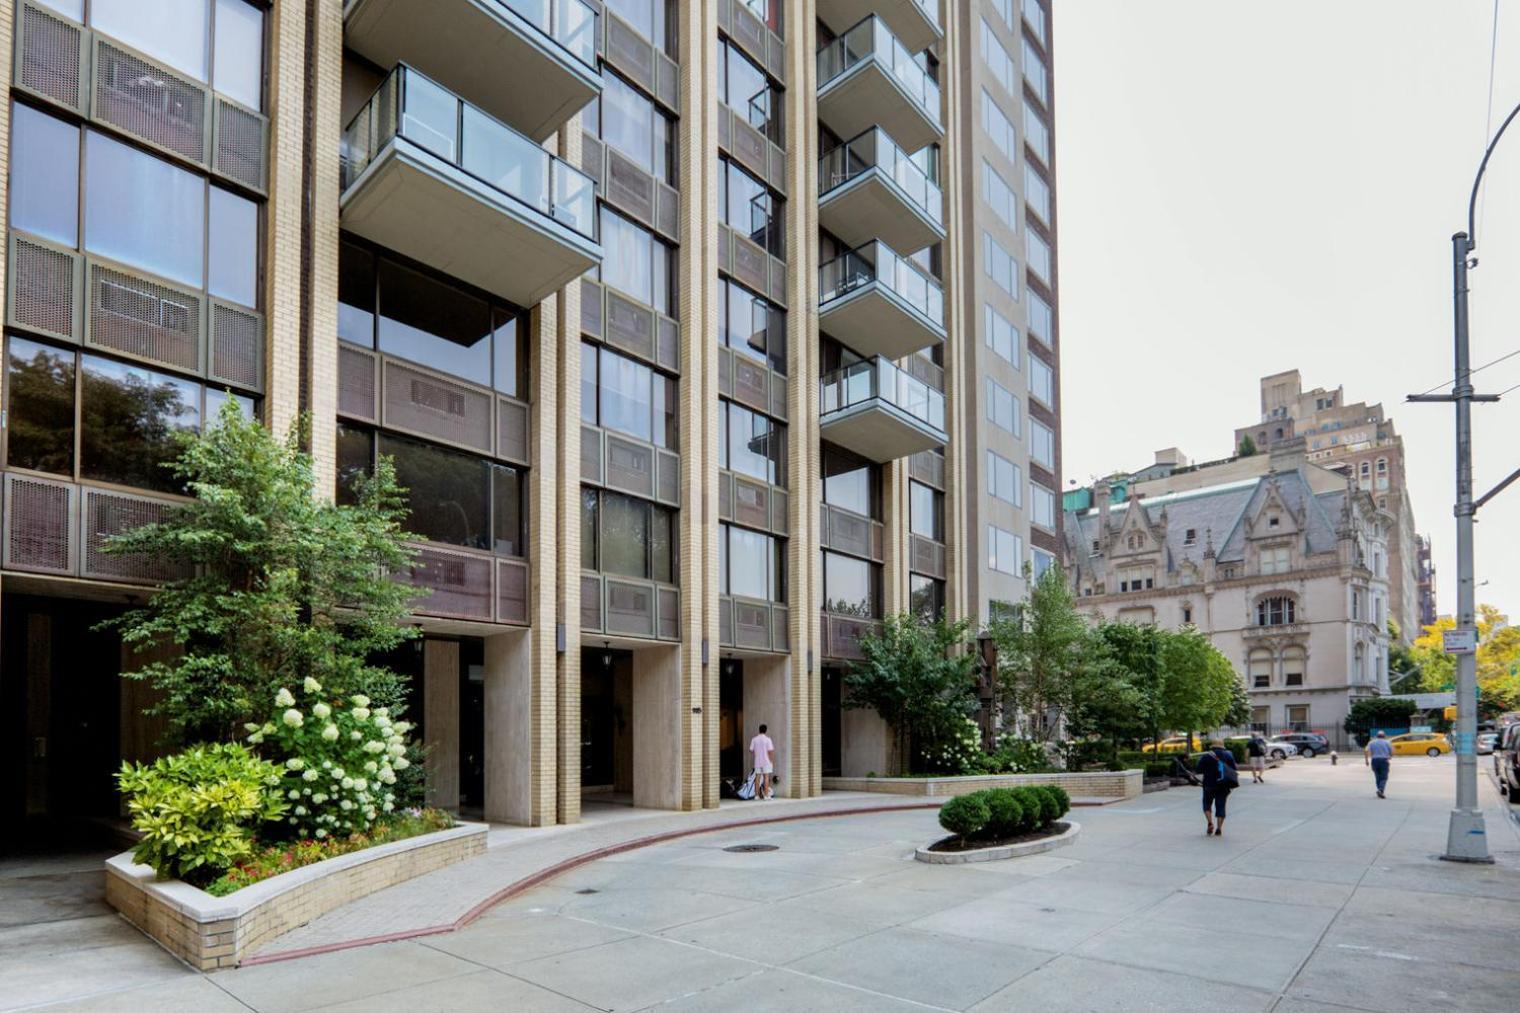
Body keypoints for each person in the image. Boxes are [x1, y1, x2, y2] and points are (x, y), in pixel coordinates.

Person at [1198, 740, 1238, 836]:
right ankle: (1219, 828)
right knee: (1221, 806)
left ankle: (1210, 823)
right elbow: (1234, 769)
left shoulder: (1206, 756)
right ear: (1222, 746)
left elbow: (1198, 769)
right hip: (1223, 785)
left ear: (1213, 746)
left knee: (1207, 804)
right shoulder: (1228, 755)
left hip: (1208, 784)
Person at [748, 724, 775, 800]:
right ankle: (766, 795)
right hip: (766, 761)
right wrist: (771, 760)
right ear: (765, 730)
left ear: (759, 730)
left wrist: (756, 753)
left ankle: (756, 795)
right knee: (766, 777)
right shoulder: (767, 739)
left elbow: (751, 750)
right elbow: (770, 751)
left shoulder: (754, 739)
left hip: (757, 761)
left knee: (757, 777)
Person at [1365, 729, 1393, 798]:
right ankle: (1380, 790)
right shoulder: (1387, 742)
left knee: (1377, 776)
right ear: (1384, 736)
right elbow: (1392, 752)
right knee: (1384, 777)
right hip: (1384, 760)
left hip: (1374, 760)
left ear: (1377, 736)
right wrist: (1389, 757)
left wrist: (1366, 761)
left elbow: (1366, 750)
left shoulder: (1371, 742)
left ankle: (1379, 790)